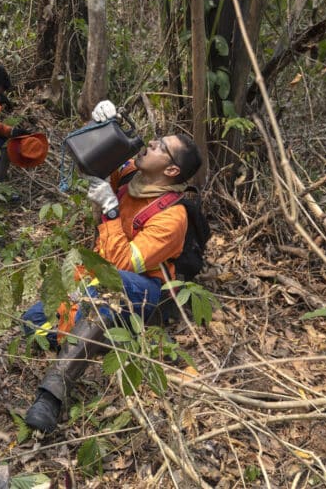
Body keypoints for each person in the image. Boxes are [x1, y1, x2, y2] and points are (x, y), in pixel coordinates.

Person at [20, 100, 203, 433]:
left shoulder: (172, 217)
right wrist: (101, 126)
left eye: (161, 146)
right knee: (31, 324)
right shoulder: (134, 172)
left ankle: (52, 394)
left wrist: (109, 210)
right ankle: (91, 332)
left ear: (172, 171)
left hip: (148, 292)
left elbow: (122, 263)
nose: (151, 143)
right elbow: (92, 166)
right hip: (101, 276)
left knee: (108, 287)